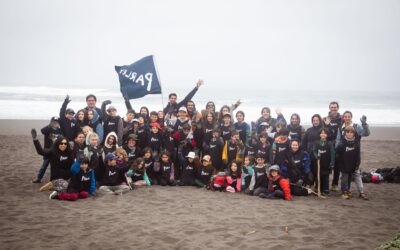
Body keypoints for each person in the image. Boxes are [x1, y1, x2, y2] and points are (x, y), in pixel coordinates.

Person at [333, 110, 370, 194]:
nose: (347, 118)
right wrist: (336, 152)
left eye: (348, 116)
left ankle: (361, 191)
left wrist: (364, 124)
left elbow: (366, 133)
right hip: (343, 154)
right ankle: (345, 190)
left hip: (354, 152)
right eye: (345, 116)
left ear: (351, 117)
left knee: (355, 173)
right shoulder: (340, 127)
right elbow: (338, 140)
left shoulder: (356, 126)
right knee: (344, 174)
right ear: (343, 118)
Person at [336, 125, 369, 200]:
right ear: (345, 133)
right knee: (344, 178)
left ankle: (356, 191)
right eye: (348, 132)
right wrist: (340, 164)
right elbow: (337, 154)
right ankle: (344, 192)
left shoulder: (356, 143)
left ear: (353, 133)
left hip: (353, 164)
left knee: (352, 178)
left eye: (351, 132)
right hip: (344, 164)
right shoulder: (342, 143)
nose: (349, 134)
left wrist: (357, 164)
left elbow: (358, 155)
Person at [31, 116, 63, 183]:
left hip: (57, 151)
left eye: (57, 121)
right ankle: (39, 178)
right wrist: (49, 125)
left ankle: (55, 179)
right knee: (44, 165)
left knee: (56, 166)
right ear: (51, 122)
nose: (55, 123)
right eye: (54, 121)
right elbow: (42, 130)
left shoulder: (60, 130)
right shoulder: (48, 129)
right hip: (48, 150)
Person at [311, 128, 335, 195]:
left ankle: (325, 189)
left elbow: (332, 153)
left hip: (326, 163)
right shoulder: (316, 143)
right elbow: (314, 150)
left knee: (326, 176)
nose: (323, 134)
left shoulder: (329, 143)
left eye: (325, 133)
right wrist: (316, 156)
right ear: (319, 134)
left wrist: (332, 163)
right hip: (318, 163)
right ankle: (318, 188)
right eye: (322, 133)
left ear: (327, 135)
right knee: (318, 176)